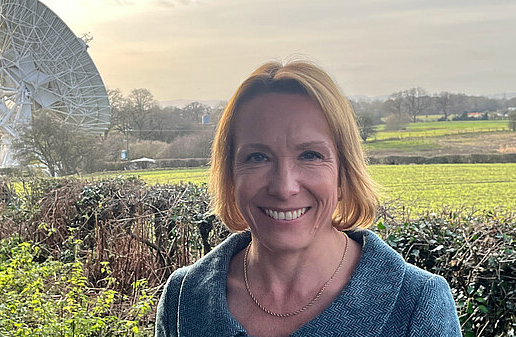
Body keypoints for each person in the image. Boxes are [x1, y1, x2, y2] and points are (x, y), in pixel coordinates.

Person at [155, 59, 461, 337]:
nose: (284, 187)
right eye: (258, 156)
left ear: (344, 173)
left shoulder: (416, 305)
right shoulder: (184, 299)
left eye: (310, 155)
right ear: (231, 175)